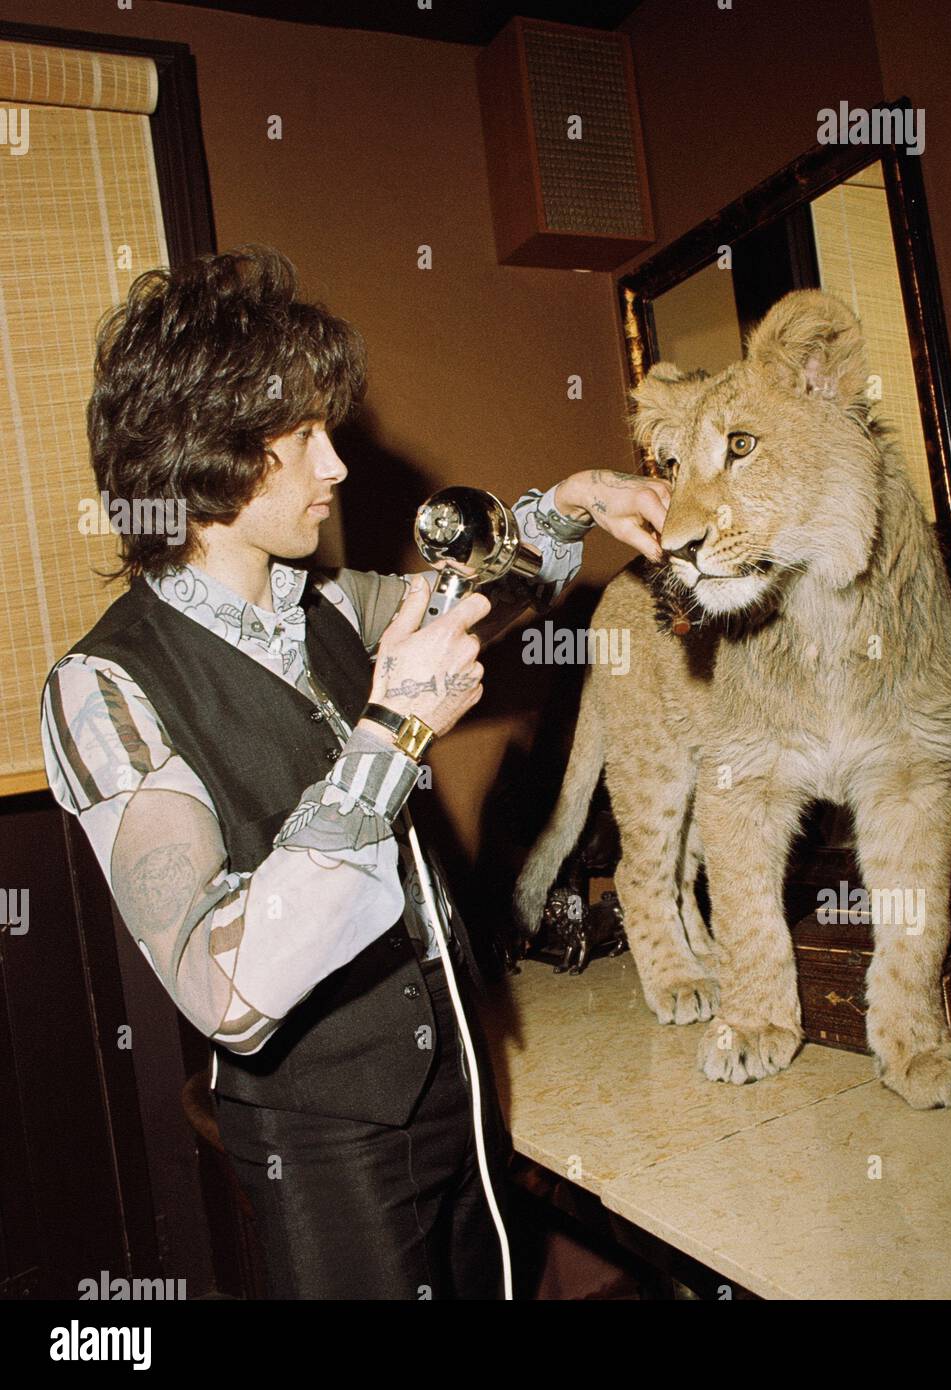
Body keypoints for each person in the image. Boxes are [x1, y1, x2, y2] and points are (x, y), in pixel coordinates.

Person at [39, 246, 671, 1300]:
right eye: (302, 438)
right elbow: (221, 987)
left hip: (460, 1092)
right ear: (210, 452)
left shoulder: (323, 602)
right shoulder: (102, 687)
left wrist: (566, 503)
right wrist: (388, 738)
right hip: (326, 1151)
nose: (335, 466)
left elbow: (485, 601)